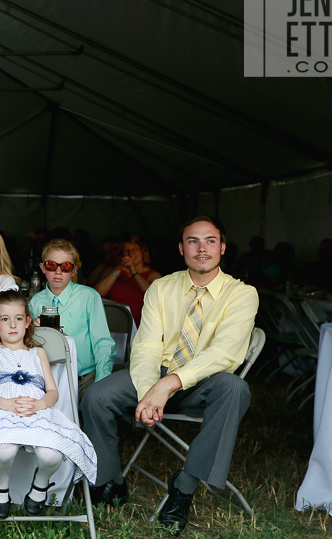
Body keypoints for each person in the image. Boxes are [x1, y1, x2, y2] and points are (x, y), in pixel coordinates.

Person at [81, 216, 258, 536]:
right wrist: (150, 389)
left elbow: (225, 354)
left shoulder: (242, 294)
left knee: (237, 387)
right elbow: (147, 347)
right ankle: (110, 480)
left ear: (222, 248)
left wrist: (168, 384)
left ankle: (184, 486)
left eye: (210, 241)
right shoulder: (162, 288)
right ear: (181, 248)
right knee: (96, 396)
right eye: (193, 241)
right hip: (157, 373)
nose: (201, 248)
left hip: (206, 380)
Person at [0, 290, 97, 519]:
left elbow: (53, 392)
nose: (12, 325)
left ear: (27, 322)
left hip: (36, 410)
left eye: (18, 318)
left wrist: (38, 405)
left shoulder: (38, 352)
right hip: (1, 409)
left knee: (52, 456)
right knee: (3, 450)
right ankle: (1, 488)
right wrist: (5, 404)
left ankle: (39, 489)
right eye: (5, 319)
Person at [28, 239, 116, 392]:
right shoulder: (35, 302)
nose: (58, 271)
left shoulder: (89, 296)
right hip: (47, 379)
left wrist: (101, 383)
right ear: (42, 267)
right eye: (51, 265)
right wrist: (31, 330)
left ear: (74, 270)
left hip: (84, 379)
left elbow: (103, 343)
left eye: (66, 266)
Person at [93, 235, 162, 325]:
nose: (130, 253)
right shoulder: (113, 271)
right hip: (113, 325)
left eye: (135, 249)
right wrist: (119, 269)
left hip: (140, 326)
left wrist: (134, 273)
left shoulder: (153, 275)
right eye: (126, 251)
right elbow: (97, 293)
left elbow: (154, 296)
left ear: (142, 252)